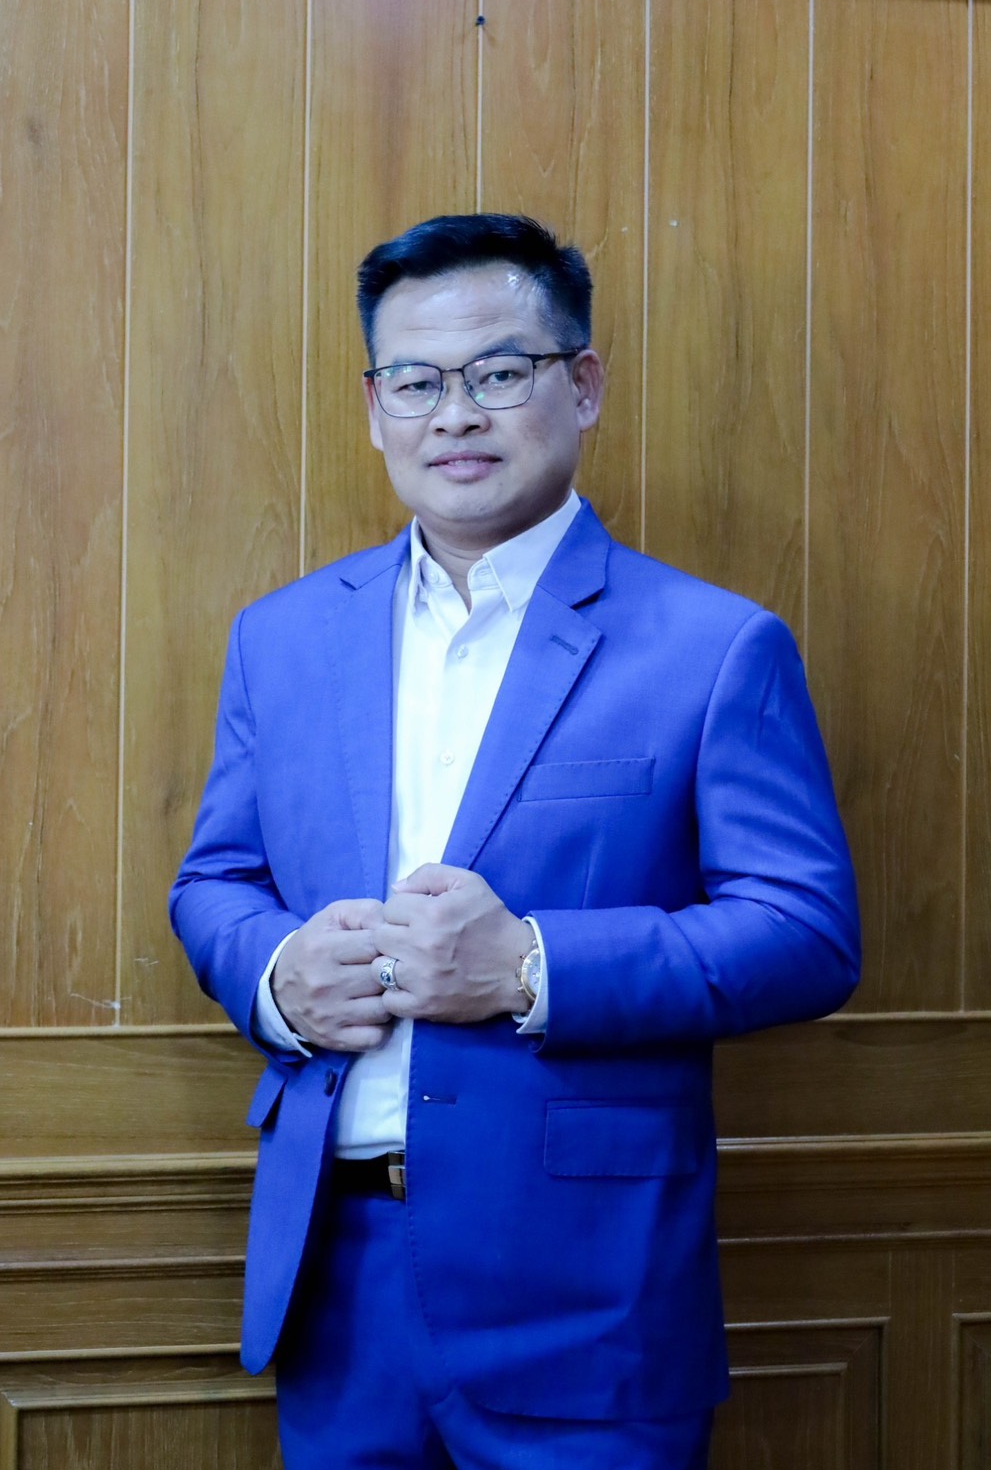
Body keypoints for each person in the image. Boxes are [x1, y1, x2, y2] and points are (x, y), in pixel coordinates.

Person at [170, 213, 860, 1470]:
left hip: (586, 1298)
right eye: (415, 382)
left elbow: (807, 931)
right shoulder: (282, 637)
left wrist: (533, 964)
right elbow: (217, 877)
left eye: (499, 372)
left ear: (581, 384)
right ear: (375, 407)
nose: (456, 415)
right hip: (336, 1279)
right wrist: (273, 973)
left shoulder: (715, 645)